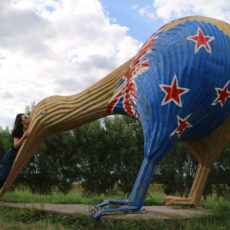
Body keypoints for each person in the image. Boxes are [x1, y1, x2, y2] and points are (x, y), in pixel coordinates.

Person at [0, 113, 30, 187]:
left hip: (16, 156)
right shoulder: (18, 131)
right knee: (4, 177)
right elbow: (15, 145)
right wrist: (23, 137)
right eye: (25, 117)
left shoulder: (29, 128)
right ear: (21, 122)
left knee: (6, 178)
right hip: (10, 156)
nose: (27, 117)